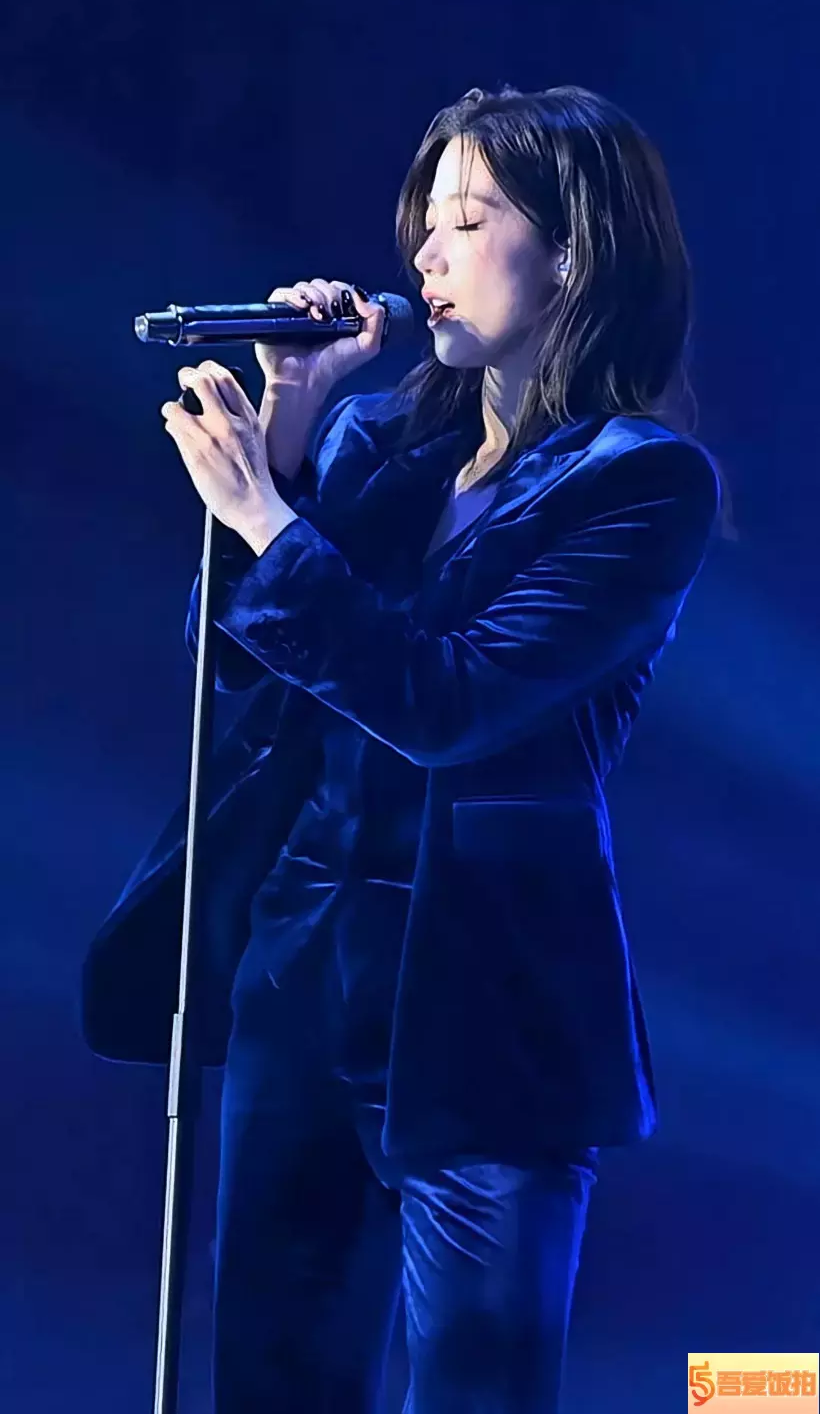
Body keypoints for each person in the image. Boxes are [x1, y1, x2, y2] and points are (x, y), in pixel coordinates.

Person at [82, 85, 721, 1413]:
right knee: (274, 1382)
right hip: (302, 975)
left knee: (478, 1391)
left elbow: (449, 701)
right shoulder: (386, 442)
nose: (426, 255)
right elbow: (235, 666)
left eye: (469, 221)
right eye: (424, 222)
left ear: (575, 251)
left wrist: (267, 515)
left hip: (488, 1011)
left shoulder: (639, 482)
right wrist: (294, 421)